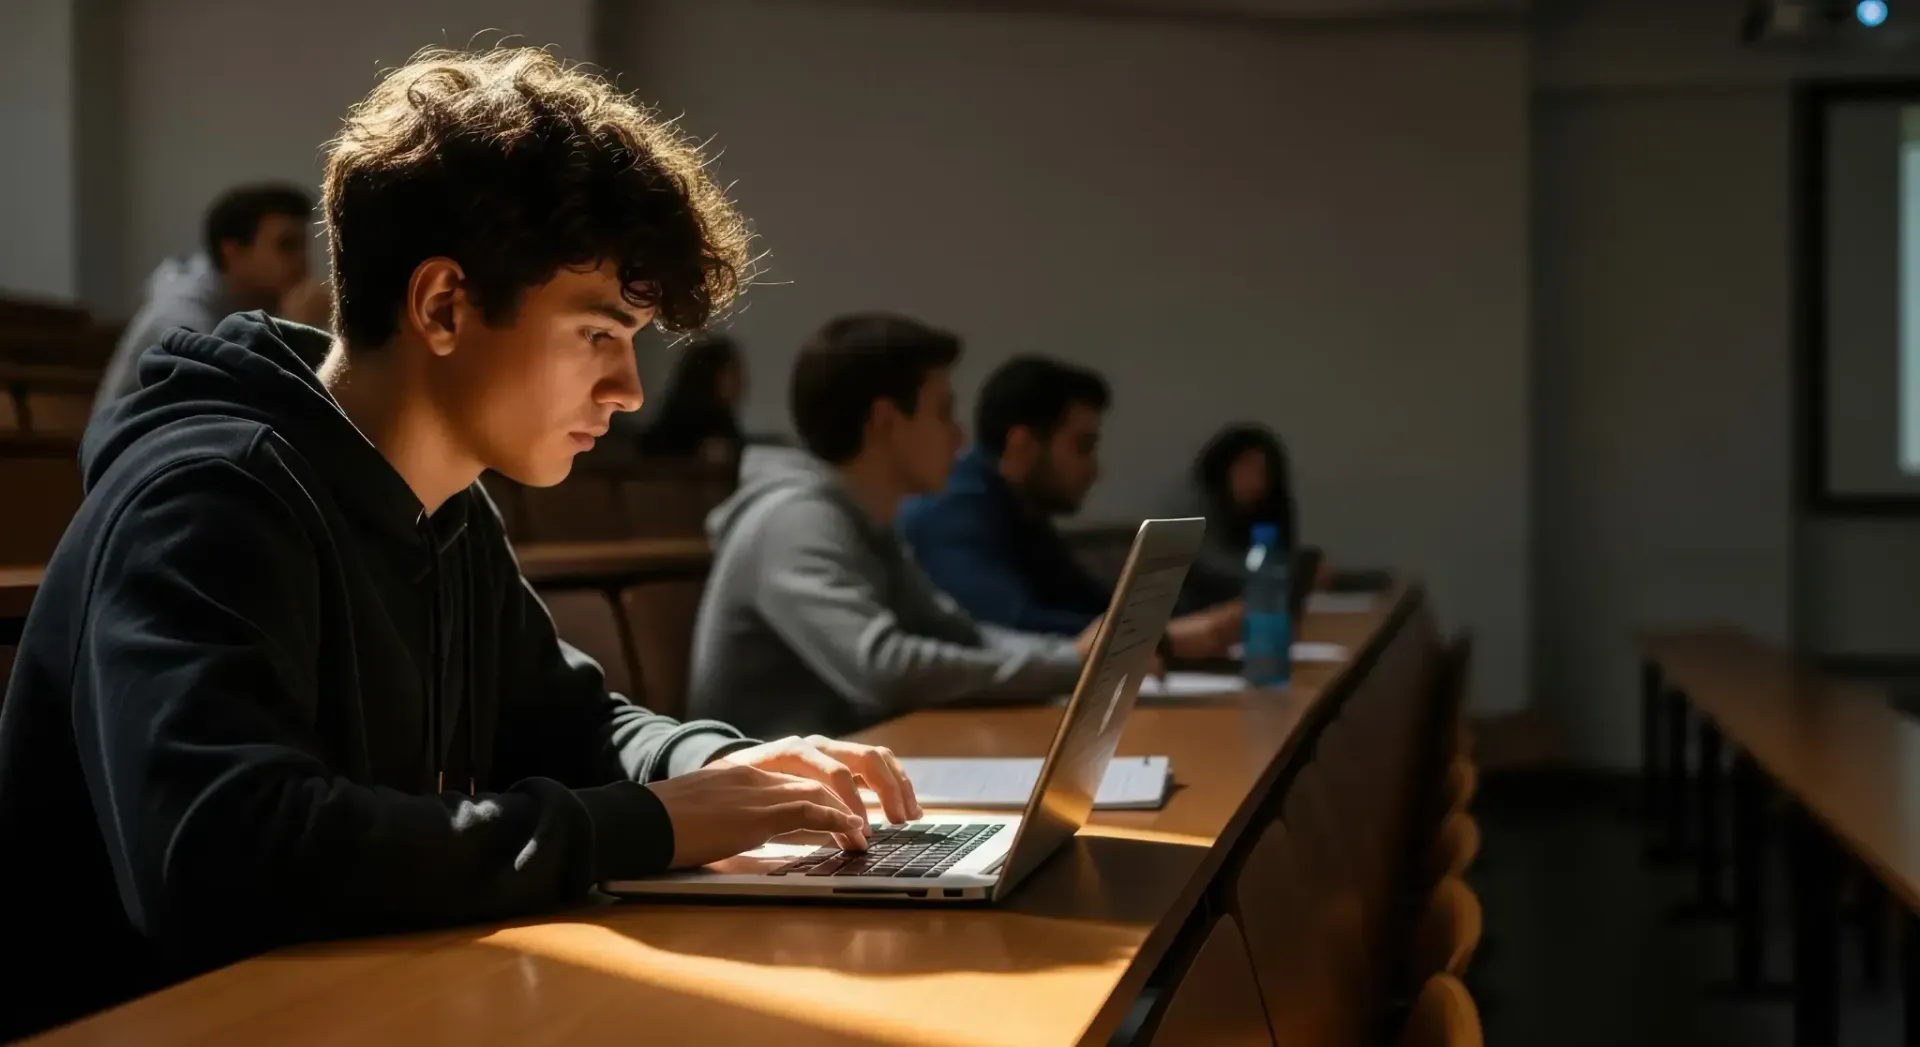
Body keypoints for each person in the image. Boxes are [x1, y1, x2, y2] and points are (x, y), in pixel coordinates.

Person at [0, 48, 922, 1041]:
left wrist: (736, 771)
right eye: (598, 335)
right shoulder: (207, 495)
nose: (629, 392)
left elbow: (568, 722)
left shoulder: (443, 502)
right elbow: (226, 855)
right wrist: (655, 826)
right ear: (443, 306)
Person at [686, 314, 1094, 739]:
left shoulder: (867, 521)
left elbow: (960, 634)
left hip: (853, 768)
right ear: (886, 421)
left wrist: (1070, 654)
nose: (959, 437)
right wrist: (1068, 664)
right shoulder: (794, 520)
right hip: (765, 793)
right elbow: (885, 671)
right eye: (944, 413)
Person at [899, 354, 1240, 659]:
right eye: (1083, 446)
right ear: (1022, 446)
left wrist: (1193, 622)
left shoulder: (1021, 507)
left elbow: (1093, 604)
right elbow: (1013, 624)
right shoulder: (951, 510)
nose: (1095, 469)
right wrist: (1163, 638)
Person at [95, 183, 330, 418]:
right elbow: (231, 408)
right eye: (287, 246)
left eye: (304, 245)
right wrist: (293, 333)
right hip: (130, 450)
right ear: (232, 252)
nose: (303, 260)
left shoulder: (260, 301)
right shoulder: (180, 319)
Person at [1181, 423, 1300, 608]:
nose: (1253, 479)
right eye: (1245, 467)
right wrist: (1288, 572)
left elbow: (1280, 556)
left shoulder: (1270, 508)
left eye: (1262, 472)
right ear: (1225, 467)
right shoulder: (1195, 504)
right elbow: (1209, 566)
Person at [636, 333, 746, 463]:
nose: (741, 381)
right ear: (711, 377)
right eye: (732, 373)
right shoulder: (683, 424)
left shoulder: (723, 421)